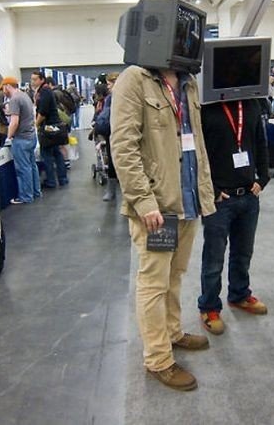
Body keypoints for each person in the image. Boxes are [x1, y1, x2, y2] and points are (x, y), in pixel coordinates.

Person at [111, 64, 216, 392]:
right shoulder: (135, 79)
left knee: (175, 275)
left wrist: (204, 193)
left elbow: (196, 143)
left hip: (187, 202)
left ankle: (172, 333)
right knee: (154, 283)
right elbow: (124, 147)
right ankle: (158, 358)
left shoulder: (188, 82)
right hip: (159, 208)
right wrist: (144, 202)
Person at [197, 98, 270, 335]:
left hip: (249, 194)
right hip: (220, 199)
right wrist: (211, 190)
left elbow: (261, 141)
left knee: (243, 252)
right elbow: (199, 153)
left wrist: (263, 177)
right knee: (214, 258)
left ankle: (239, 294)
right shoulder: (205, 106)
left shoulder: (251, 104)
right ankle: (209, 306)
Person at [1, 77, 41, 205]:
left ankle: (26, 196)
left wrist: (8, 137)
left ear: (7, 86)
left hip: (21, 139)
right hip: (31, 136)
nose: (2, 91)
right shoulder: (25, 96)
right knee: (31, 166)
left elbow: (14, 122)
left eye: (3, 87)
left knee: (23, 169)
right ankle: (36, 192)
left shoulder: (14, 99)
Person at [30, 71, 68, 188]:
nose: (33, 82)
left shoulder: (45, 91)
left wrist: (36, 124)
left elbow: (43, 112)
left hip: (48, 126)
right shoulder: (44, 91)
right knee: (56, 152)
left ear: (42, 79)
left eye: (35, 79)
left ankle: (51, 180)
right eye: (32, 79)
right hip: (53, 125)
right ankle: (62, 178)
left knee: (46, 153)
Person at [93, 72, 119, 202]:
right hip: (111, 132)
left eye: (109, 84)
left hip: (123, 133)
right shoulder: (109, 98)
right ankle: (111, 190)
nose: (107, 87)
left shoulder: (127, 97)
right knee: (112, 162)